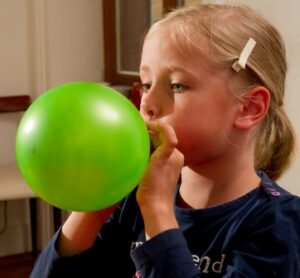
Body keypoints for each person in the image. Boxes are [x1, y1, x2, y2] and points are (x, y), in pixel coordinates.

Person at [30, 3, 300, 277]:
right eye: (146, 84)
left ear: (248, 108)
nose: (147, 103)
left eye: (176, 85)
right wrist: (94, 207)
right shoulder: (133, 200)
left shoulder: (281, 225)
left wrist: (158, 210)